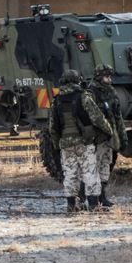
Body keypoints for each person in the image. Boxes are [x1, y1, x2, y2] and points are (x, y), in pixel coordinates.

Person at [47, 72, 119, 213]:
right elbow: (97, 117)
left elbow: (53, 127)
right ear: (77, 81)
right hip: (84, 143)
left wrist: (57, 145)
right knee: (90, 173)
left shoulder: (57, 100)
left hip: (66, 144)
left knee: (70, 174)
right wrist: (109, 131)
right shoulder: (83, 96)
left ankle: (72, 205)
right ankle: (93, 205)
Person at [89, 67, 124, 210]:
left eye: (110, 76)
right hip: (97, 137)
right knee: (93, 168)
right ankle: (92, 199)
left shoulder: (111, 92)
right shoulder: (91, 93)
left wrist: (122, 135)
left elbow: (118, 116)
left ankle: (102, 197)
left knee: (105, 167)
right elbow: (93, 116)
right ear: (99, 77)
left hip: (109, 137)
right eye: (106, 77)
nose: (109, 79)